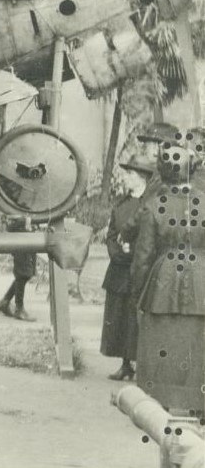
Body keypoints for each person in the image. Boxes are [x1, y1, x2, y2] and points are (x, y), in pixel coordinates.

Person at [131, 133, 205, 414]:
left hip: (162, 280)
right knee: (198, 342)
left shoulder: (153, 206)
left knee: (161, 341)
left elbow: (143, 257)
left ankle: (159, 402)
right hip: (202, 279)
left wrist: (137, 295)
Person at [100, 155, 154, 381]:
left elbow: (150, 237)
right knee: (119, 315)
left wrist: (131, 254)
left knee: (136, 318)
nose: (125, 178)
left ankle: (140, 364)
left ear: (141, 177)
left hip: (139, 268)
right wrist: (116, 253)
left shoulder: (150, 204)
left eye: (130, 174)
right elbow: (112, 234)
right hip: (119, 268)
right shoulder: (121, 203)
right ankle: (125, 364)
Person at [0, 216, 36, 322]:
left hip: (25, 233)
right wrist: (26, 220)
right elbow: (12, 223)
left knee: (26, 273)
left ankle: (5, 302)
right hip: (20, 235)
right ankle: (19, 308)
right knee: (23, 273)